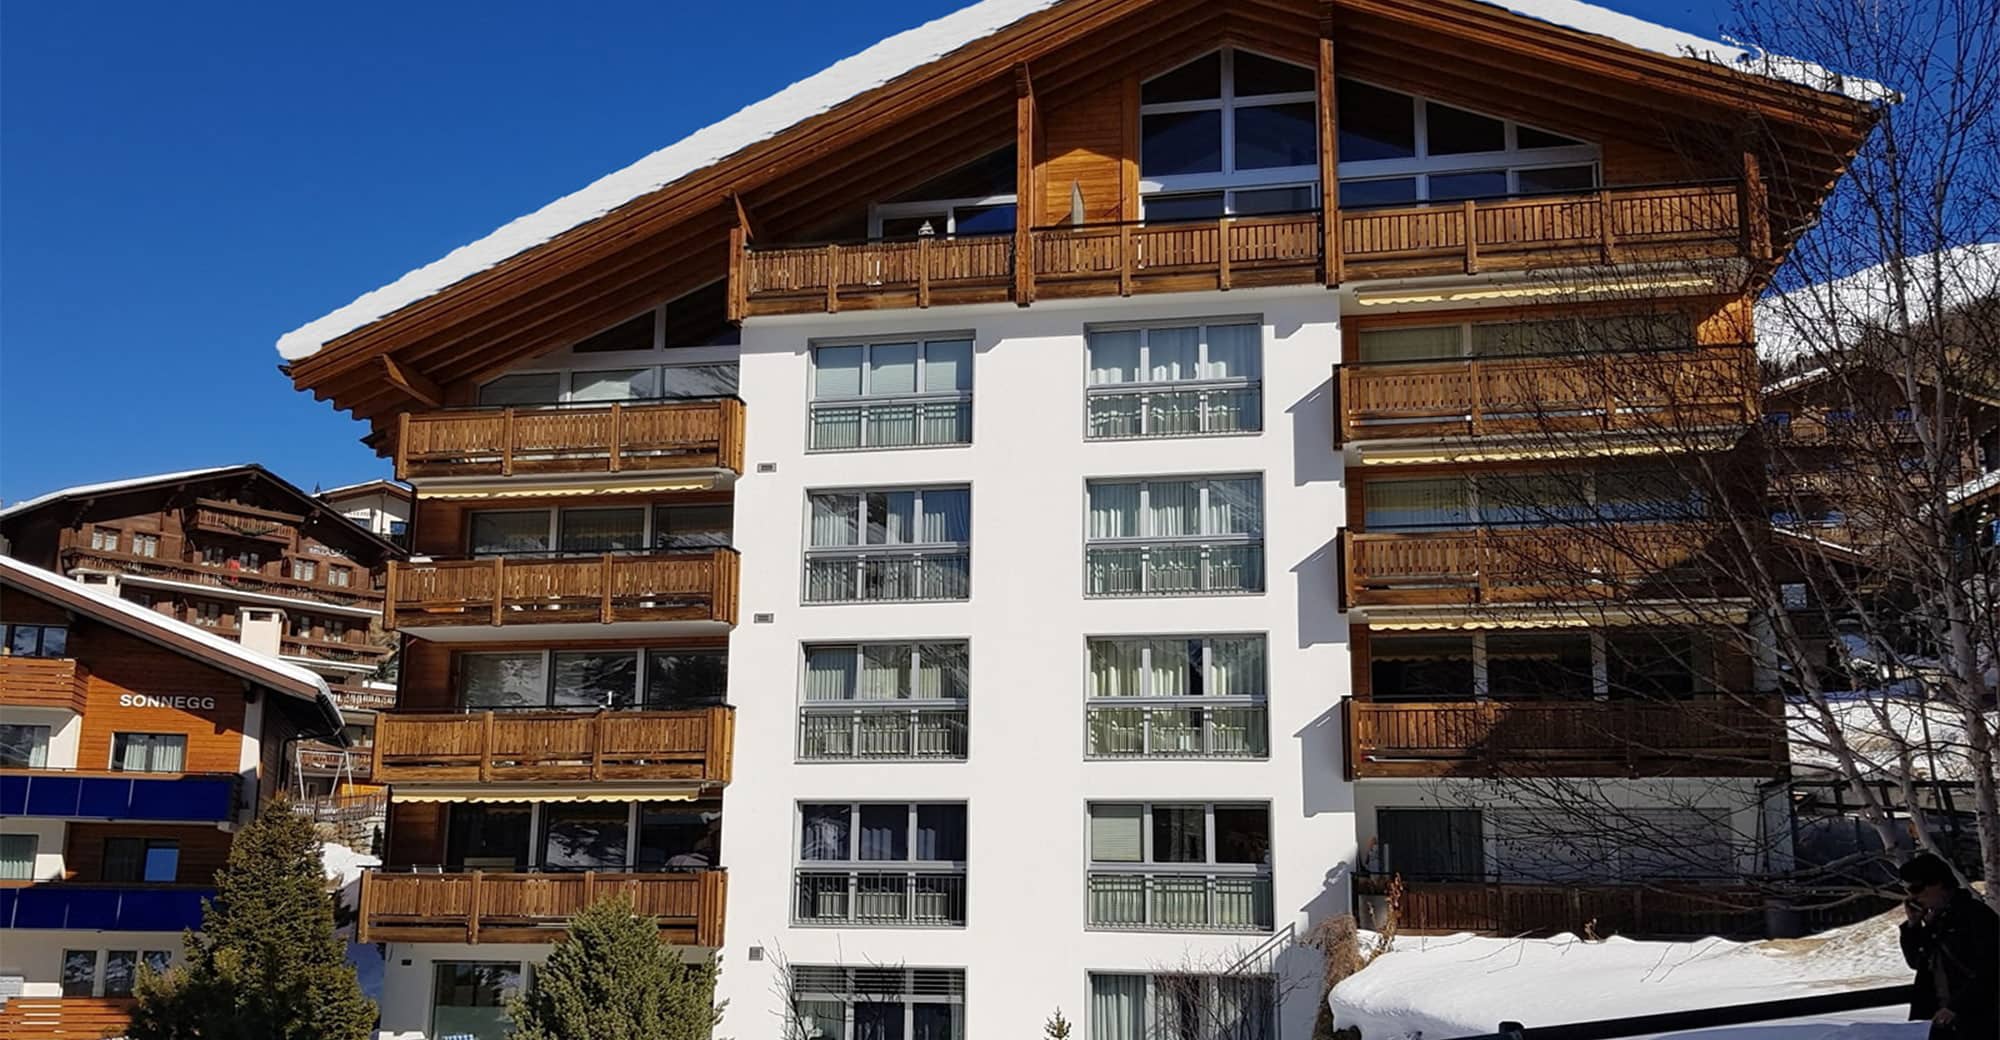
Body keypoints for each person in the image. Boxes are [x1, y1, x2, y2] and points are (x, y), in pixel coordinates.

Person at [1897, 852, 1997, 1039]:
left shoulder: (1975, 916)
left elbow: (1991, 968)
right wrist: (1913, 926)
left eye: (1917, 888)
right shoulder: (1936, 920)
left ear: (1939, 884)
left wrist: (1957, 1006)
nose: (1913, 897)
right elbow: (1917, 961)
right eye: (1908, 890)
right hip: (1944, 1021)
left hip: (1979, 1020)